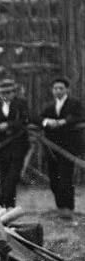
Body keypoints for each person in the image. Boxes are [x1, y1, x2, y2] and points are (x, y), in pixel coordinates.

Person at [38, 76, 83, 219]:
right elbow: (37, 118)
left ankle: (68, 209)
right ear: (52, 90)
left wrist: (64, 121)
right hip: (52, 149)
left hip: (68, 148)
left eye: (61, 88)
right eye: (55, 88)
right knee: (54, 180)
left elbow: (80, 117)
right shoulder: (49, 107)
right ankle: (60, 207)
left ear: (67, 90)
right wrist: (46, 121)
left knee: (65, 179)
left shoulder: (74, 104)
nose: (58, 91)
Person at [0, 79, 30, 209]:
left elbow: (25, 120)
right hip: (2, 146)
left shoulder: (21, 104)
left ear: (14, 92)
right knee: (4, 175)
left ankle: (0, 200)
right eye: (3, 92)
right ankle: (8, 206)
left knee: (13, 176)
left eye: (9, 92)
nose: (6, 95)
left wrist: (9, 125)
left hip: (18, 145)